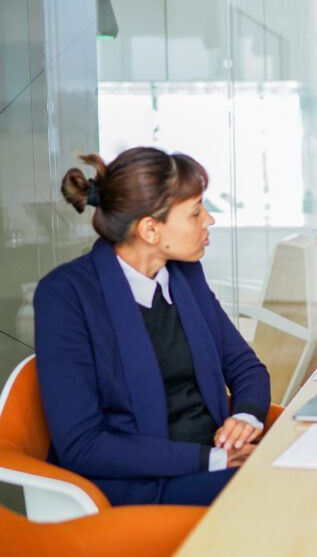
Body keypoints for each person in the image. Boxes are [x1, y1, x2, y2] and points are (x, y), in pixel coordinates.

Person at [34, 147, 271, 506]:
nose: (209, 220)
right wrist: (213, 459)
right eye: (195, 212)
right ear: (150, 229)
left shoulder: (184, 274)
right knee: (281, 491)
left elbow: (244, 365)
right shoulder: (67, 295)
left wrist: (244, 415)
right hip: (143, 482)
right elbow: (83, 445)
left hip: (216, 460)